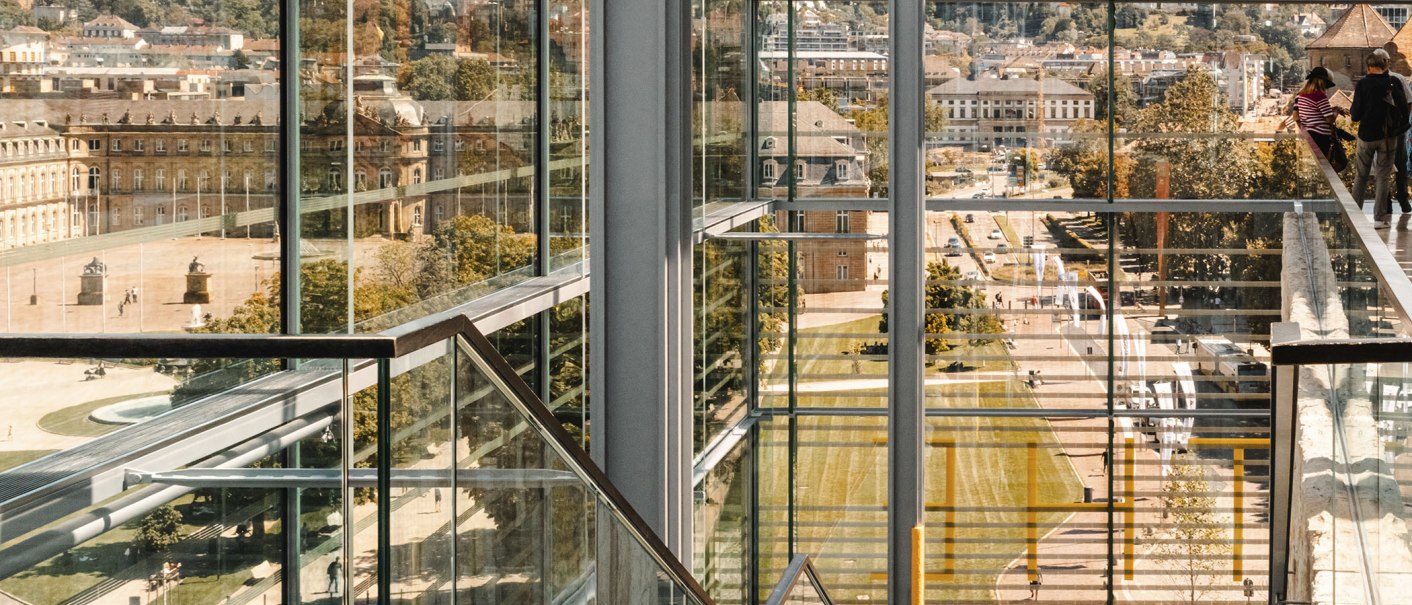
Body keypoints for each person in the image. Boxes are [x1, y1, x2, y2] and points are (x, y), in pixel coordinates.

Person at [1352, 50, 1410, 228]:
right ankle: (1379, 218)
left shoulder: (1363, 84)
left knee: (1361, 176)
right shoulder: (1394, 82)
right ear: (1386, 65)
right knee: (1383, 177)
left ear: (1369, 67)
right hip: (1388, 137)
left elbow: (1355, 115)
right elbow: (1404, 108)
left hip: (1366, 136)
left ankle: (1354, 215)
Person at [1289, 66, 1341, 157]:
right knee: (1324, 166)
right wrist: (1337, 110)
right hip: (1321, 137)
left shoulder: (1300, 95)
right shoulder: (1319, 96)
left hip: (1307, 136)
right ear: (1322, 82)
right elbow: (1330, 120)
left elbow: (1296, 117)